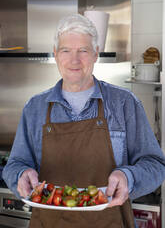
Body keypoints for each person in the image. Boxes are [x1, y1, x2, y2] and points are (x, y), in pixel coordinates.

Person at [2, 13, 165, 228]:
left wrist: (128, 177)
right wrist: (20, 175)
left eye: (83, 50)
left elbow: (156, 165)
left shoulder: (124, 103)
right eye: (66, 50)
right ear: (56, 54)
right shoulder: (35, 108)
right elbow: (14, 165)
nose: (74, 60)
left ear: (96, 53)